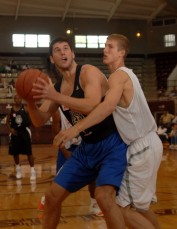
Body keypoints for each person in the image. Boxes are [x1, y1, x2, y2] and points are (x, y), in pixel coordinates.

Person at [54, 34, 163, 229]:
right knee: (141, 208)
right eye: (105, 46)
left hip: (141, 145)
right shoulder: (124, 75)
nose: (105, 50)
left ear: (122, 53)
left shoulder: (118, 76)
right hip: (148, 143)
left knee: (119, 207)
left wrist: (76, 129)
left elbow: (107, 107)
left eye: (111, 47)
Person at [27, 36, 127, 229]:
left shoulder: (88, 72)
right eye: (57, 50)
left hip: (111, 144)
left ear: (73, 53)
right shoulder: (57, 88)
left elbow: (92, 104)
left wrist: (57, 97)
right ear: (51, 58)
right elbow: (39, 120)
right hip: (86, 149)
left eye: (66, 48)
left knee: (103, 198)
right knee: (51, 196)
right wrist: (30, 101)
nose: (63, 52)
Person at [38, 107, 103, 216]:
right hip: (67, 146)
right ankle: (47, 199)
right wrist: (64, 150)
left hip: (84, 145)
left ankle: (94, 204)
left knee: (93, 175)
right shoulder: (58, 112)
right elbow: (56, 134)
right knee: (61, 179)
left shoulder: (85, 103)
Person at [6, 94, 36, 181]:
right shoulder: (10, 111)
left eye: (19, 98)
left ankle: (33, 171)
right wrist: (11, 130)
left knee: (29, 152)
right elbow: (7, 122)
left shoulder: (26, 109)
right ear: (14, 100)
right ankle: (18, 170)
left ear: (21, 99)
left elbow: (32, 120)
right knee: (15, 153)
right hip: (15, 132)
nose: (18, 99)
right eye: (16, 98)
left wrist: (35, 131)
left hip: (24, 132)